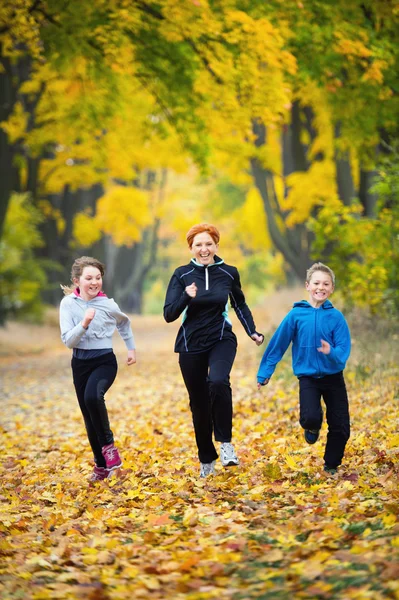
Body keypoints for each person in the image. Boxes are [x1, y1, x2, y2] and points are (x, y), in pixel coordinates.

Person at [164, 223, 264, 478]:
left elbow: (239, 304)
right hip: (190, 342)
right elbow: (169, 314)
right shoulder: (181, 274)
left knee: (218, 381)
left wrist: (252, 330)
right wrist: (186, 296)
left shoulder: (229, 273)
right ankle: (206, 458)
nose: (204, 249)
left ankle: (226, 444)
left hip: (221, 337)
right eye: (198, 244)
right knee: (198, 403)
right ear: (191, 248)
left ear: (216, 245)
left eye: (208, 243)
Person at [257, 262, 351, 475]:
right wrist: (265, 372)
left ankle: (331, 465)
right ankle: (312, 426)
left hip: (334, 377)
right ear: (308, 286)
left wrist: (331, 352)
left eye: (326, 284)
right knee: (310, 417)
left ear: (332, 288)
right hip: (308, 377)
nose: (321, 287)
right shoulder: (296, 315)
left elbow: (343, 350)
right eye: (317, 283)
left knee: (341, 427)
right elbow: (278, 343)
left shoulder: (336, 317)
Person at [59, 256, 136, 482]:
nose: (94, 282)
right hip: (80, 363)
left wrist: (130, 349)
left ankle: (110, 448)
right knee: (88, 416)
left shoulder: (108, 305)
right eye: (89, 278)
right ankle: (101, 465)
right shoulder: (68, 305)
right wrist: (83, 324)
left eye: (98, 278)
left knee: (94, 397)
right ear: (77, 281)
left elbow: (124, 323)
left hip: (104, 361)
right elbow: (68, 342)